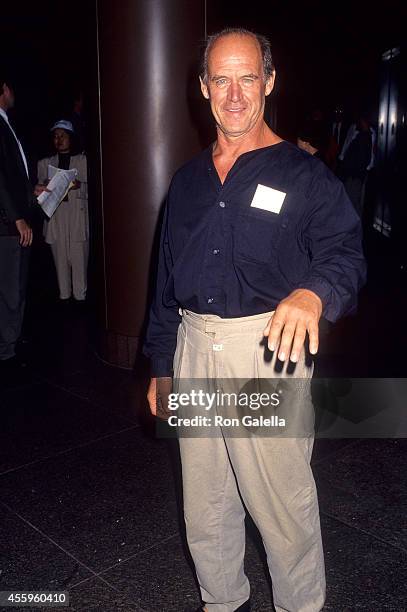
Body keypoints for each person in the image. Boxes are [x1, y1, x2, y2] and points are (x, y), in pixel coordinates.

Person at [144, 29, 366, 612]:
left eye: (248, 77)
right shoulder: (187, 182)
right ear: (203, 87)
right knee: (206, 502)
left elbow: (345, 253)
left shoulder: (304, 175)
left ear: (269, 82)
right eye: (222, 79)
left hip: (266, 353)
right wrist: (162, 366)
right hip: (194, 349)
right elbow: (165, 282)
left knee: (282, 505)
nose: (235, 93)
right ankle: (222, 602)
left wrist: (314, 293)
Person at [0, 74, 34, 366]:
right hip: (7, 225)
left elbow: (12, 177)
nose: (13, 93)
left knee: (16, 285)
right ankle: (6, 348)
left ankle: (12, 337)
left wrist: (32, 192)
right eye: (10, 88)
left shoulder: (6, 126)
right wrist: (17, 218)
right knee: (10, 287)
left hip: (14, 221)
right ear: (3, 90)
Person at [37, 120, 88, 302]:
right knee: (61, 268)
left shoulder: (82, 161)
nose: (58, 140)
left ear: (71, 138)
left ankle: (81, 302)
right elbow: (40, 192)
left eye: (62, 136)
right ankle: (64, 302)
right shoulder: (44, 163)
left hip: (76, 218)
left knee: (79, 265)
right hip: (56, 219)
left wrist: (78, 185)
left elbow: (93, 190)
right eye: (55, 136)